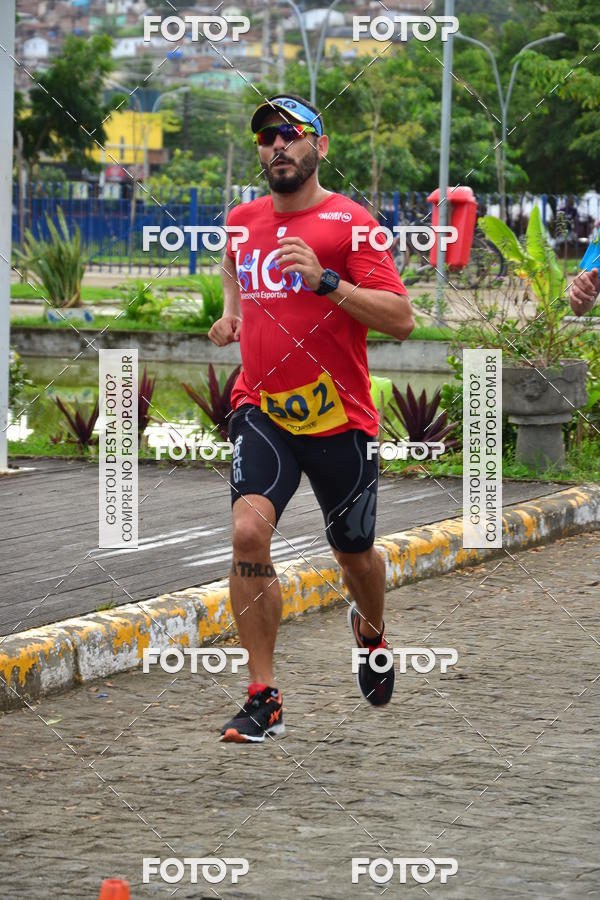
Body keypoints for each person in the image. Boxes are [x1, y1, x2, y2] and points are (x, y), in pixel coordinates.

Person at [208, 94, 414, 743]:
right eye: (267, 135)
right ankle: (263, 696)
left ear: (319, 147)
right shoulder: (241, 221)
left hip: (339, 417)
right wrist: (232, 315)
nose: (278, 145)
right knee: (247, 533)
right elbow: (234, 270)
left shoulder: (352, 224)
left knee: (354, 558)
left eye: (292, 134)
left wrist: (328, 282)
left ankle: (371, 629)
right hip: (261, 407)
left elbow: (401, 320)